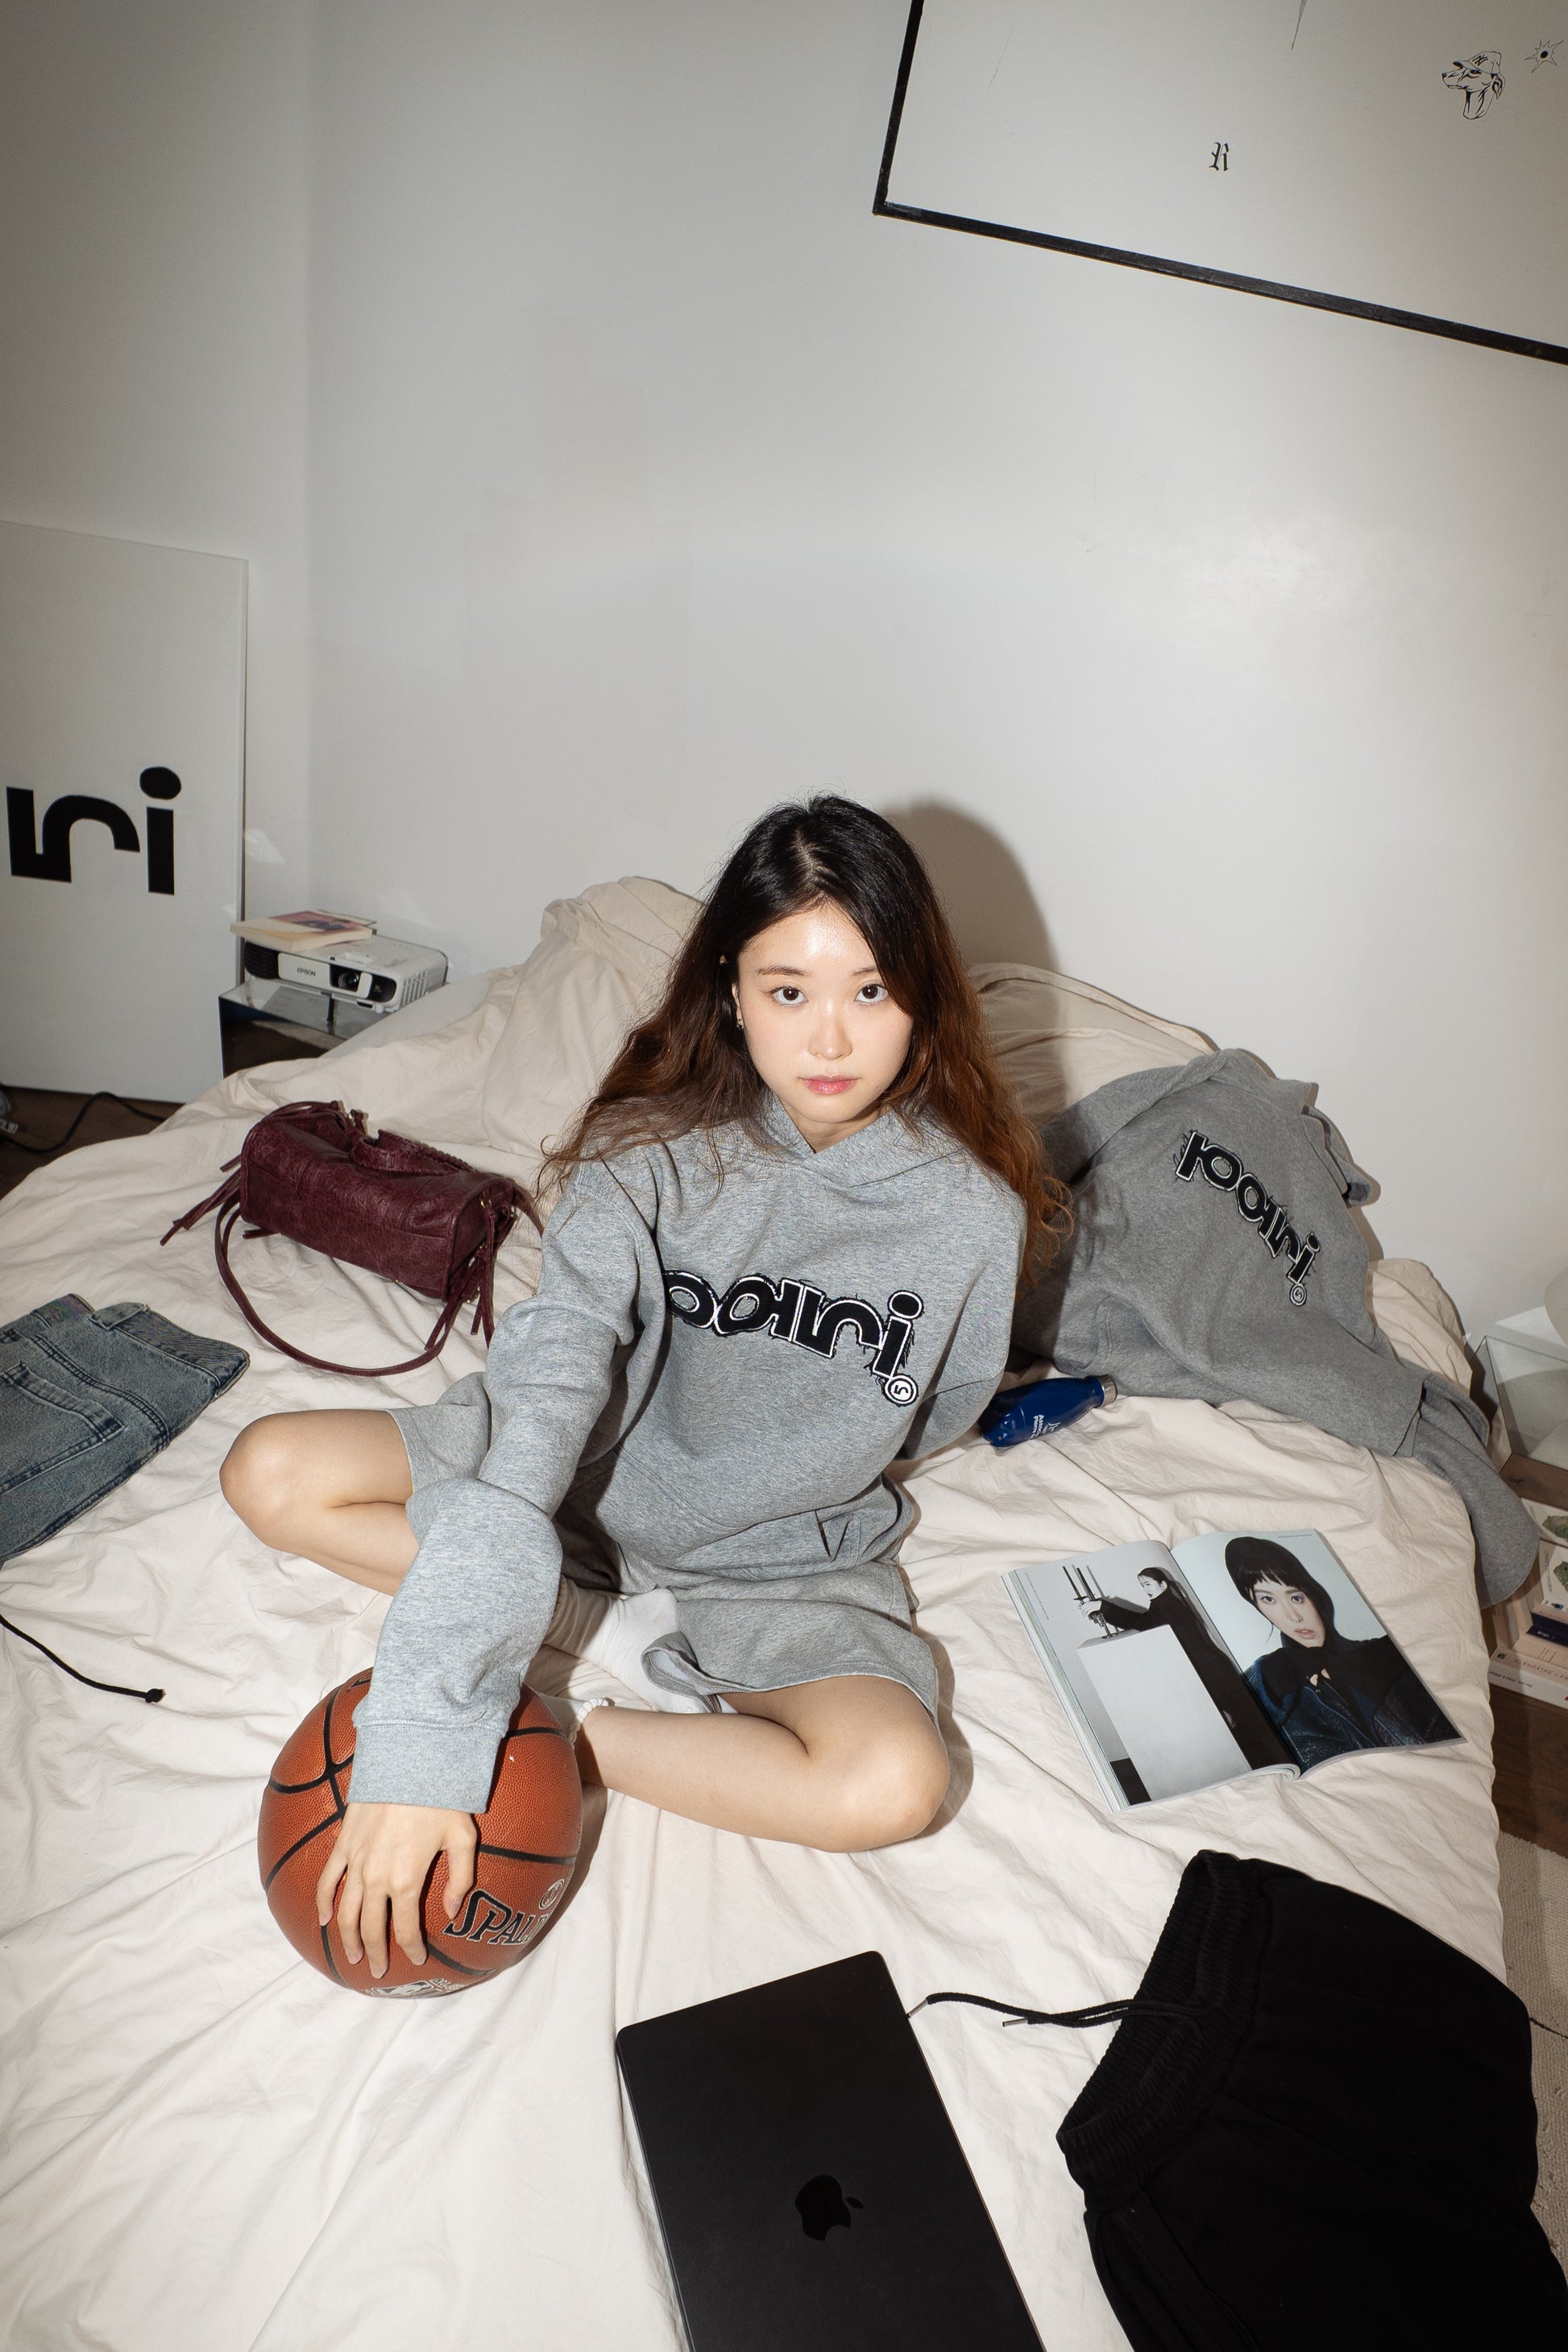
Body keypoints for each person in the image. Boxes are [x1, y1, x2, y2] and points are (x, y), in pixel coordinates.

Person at [220, 797, 1068, 1979]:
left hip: (777, 1556)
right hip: (577, 1472)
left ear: (923, 994)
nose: (830, 1039)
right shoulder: (645, 1153)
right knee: (266, 1469)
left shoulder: (969, 1214)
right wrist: (427, 1726)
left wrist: (507, 1739)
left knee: (894, 1782)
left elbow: (939, 1406)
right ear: (731, 991)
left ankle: (579, 1717)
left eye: (870, 989)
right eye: (788, 990)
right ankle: (588, 1623)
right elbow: (551, 1380)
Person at [1224, 1536, 1454, 1769]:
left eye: (1296, 1597)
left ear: (1314, 1595)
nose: (1293, 1616)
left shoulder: (1384, 1655)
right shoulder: (1265, 1680)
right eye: (1268, 1599)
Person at [1084, 1567, 1282, 1768]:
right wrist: (1105, 1609)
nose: (1145, 1589)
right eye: (1142, 1585)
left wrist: (1104, 1607)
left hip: (1211, 1670)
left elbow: (1143, 1622)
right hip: (1210, 1667)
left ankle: (1267, 1761)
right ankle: (1263, 1761)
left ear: (1163, 1584)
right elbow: (1148, 1622)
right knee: (1237, 1719)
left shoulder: (1169, 1605)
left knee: (1240, 1720)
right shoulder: (1164, 1602)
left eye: (1148, 1584)